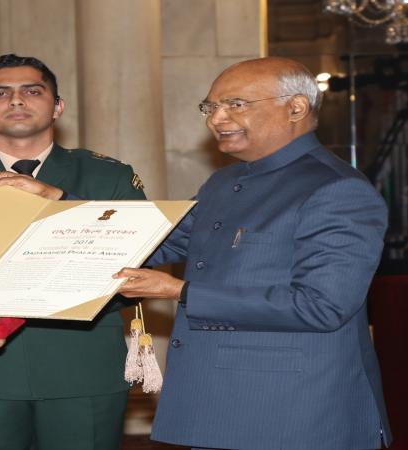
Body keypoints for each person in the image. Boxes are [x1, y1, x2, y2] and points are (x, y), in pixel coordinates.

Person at [114, 57, 393, 449]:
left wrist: (181, 292)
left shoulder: (337, 190)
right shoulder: (223, 183)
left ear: (296, 108)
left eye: (236, 104)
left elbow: (322, 306)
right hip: (218, 404)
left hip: (293, 413)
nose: (216, 118)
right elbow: (156, 240)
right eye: (210, 107)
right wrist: (61, 208)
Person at [0, 54, 147, 450]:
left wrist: (60, 200)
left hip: (80, 362)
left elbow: (141, 259)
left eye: (32, 91)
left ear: (58, 106)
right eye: (0, 93)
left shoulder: (107, 175)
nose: (16, 100)